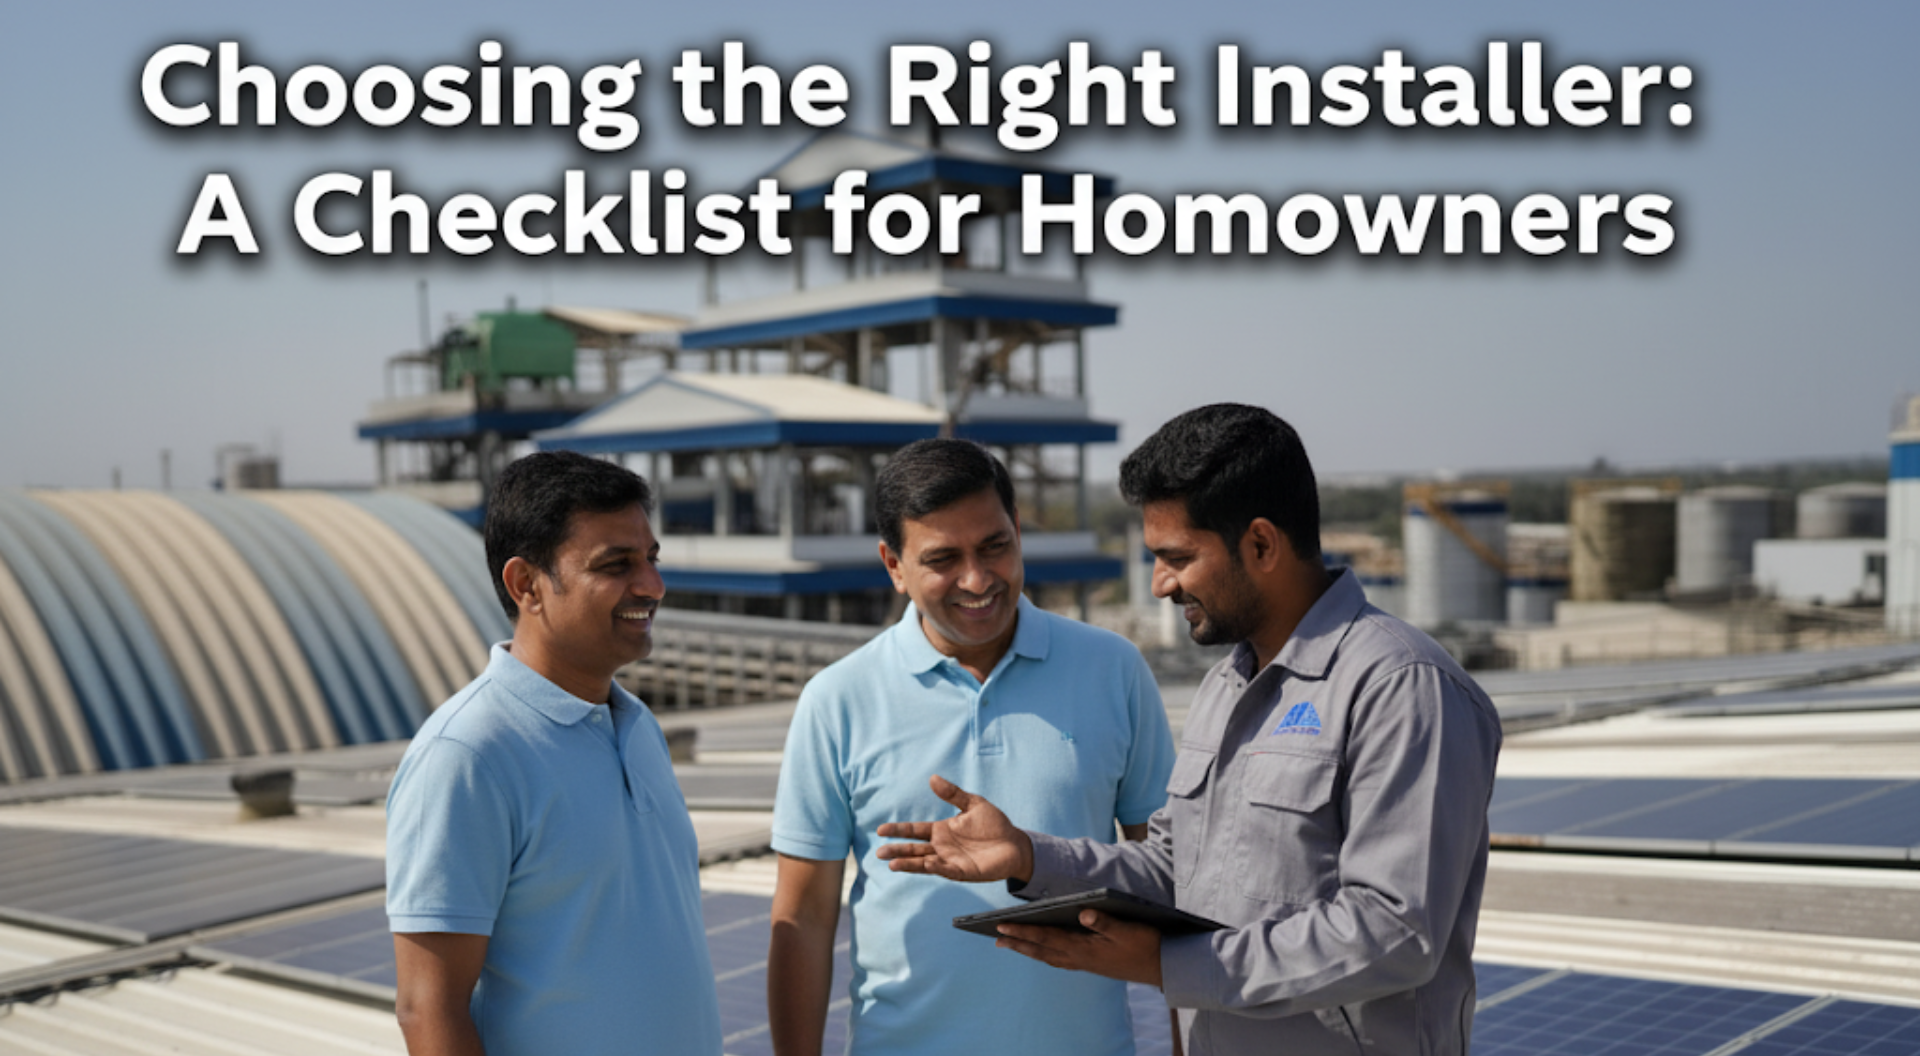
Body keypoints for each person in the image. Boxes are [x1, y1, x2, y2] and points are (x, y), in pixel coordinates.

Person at [876, 405, 1504, 1056]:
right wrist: (1032, 858)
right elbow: (1177, 871)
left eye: (1177, 557)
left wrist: (1170, 967)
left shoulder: (1400, 687)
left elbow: (1396, 934)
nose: (1159, 584)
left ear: (1260, 545)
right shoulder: (1226, 686)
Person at [768, 438, 1177, 1056]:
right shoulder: (837, 699)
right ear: (893, 566)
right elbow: (803, 919)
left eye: (995, 546)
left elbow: (1176, 883)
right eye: (943, 558)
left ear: (1018, 531)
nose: (978, 579)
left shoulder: (1113, 669)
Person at [385, 450, 722, 1056]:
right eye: (616, 565)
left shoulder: (639, 725)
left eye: (650, 559)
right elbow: (427, 1007)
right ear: (527, 585)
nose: (652, 585)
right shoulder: (466, 755)